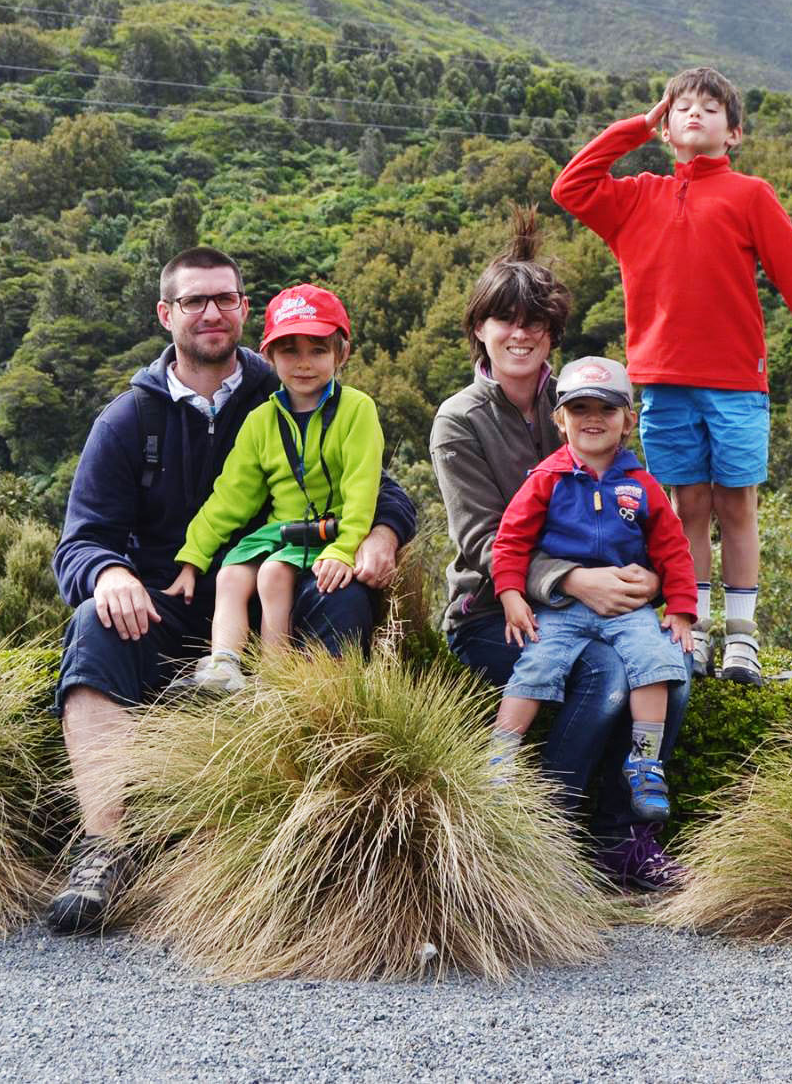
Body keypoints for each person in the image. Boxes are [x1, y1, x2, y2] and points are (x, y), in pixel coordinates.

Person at [45, 248, 417, 933]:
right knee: (95, 623)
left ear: (247, 310)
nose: (211, 312)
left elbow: (377, 486)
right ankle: (107, 845)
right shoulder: (128, 421)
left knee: (344, 600)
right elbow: (79, 540)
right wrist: (112, 573)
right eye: (194, 301)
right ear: (167, 314)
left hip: (283, 590)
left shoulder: (282, 389)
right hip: (166, 601)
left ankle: (319, 834)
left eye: (225, 298)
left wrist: (382, 536)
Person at [553, 66, 792, 685]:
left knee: (737, 505)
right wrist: (635, 126)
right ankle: (689, 632)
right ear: (665, 128)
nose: (694, 114)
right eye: (681, 107)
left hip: (736, 384)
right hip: (664, 384)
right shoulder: (635, 196)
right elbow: (572, 186)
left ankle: (742, 641)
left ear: (735, 132)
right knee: (685, 508)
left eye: (709, 108)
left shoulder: (750, 196)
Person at [430, 212, 689, 890]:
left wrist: (649, 584)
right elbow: (483, 538)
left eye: (535, 324)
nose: (520, 334)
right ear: (480, 328)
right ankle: (543, 840)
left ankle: (625, 840)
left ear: (552, 336)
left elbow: (637, 502)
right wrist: (575, 581)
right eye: (505, 320)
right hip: (496, 610)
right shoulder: (460, 420)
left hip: (597, 605)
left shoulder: (583, 400)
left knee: (664, 669)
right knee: (601, 676)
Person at [489, 356, 697, 822]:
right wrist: (510, 596)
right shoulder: (546, 479)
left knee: (657, 662)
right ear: (560, 420)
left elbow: (673, 548)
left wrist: (681, 608)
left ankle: (645, 761)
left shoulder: (643, 486)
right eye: (580, 408)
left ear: (628, 421)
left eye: (607, 409)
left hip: (626, 605)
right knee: (538, 665)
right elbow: (511, 541)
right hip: (563, 605)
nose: (593, 419)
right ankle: (499, 760)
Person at [168, 284, 384, 693]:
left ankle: (274, 676)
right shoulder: (262, 420)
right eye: (289, 351)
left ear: (342, 354)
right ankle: (223, 667)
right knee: (231, 574)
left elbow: (362, 488)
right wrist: (193, 556)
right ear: (269, 356)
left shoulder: (357, 409)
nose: (304, 364)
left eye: (318, 350)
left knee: (271, 574)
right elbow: (231, 495)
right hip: (281, 532)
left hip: (331, 530)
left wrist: (343, 548)